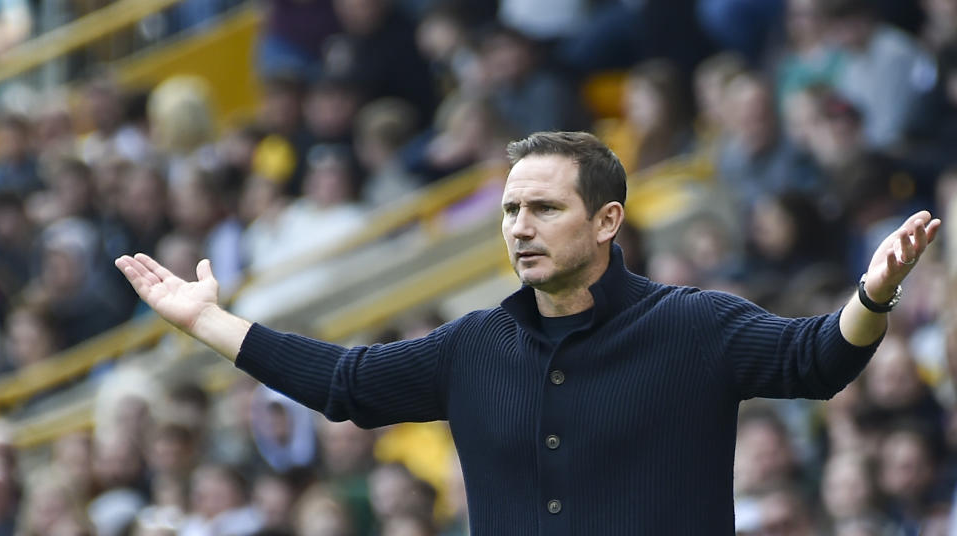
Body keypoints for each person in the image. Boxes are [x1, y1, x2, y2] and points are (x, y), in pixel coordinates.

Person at [115, 131, 941, 534]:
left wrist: (872, 292)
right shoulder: (473, 344)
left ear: (608, 219)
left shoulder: (695, 325)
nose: (519, 226)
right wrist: (208, 320)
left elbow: (818, 361)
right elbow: (346, 385)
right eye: (510, 209)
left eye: (544, 207)